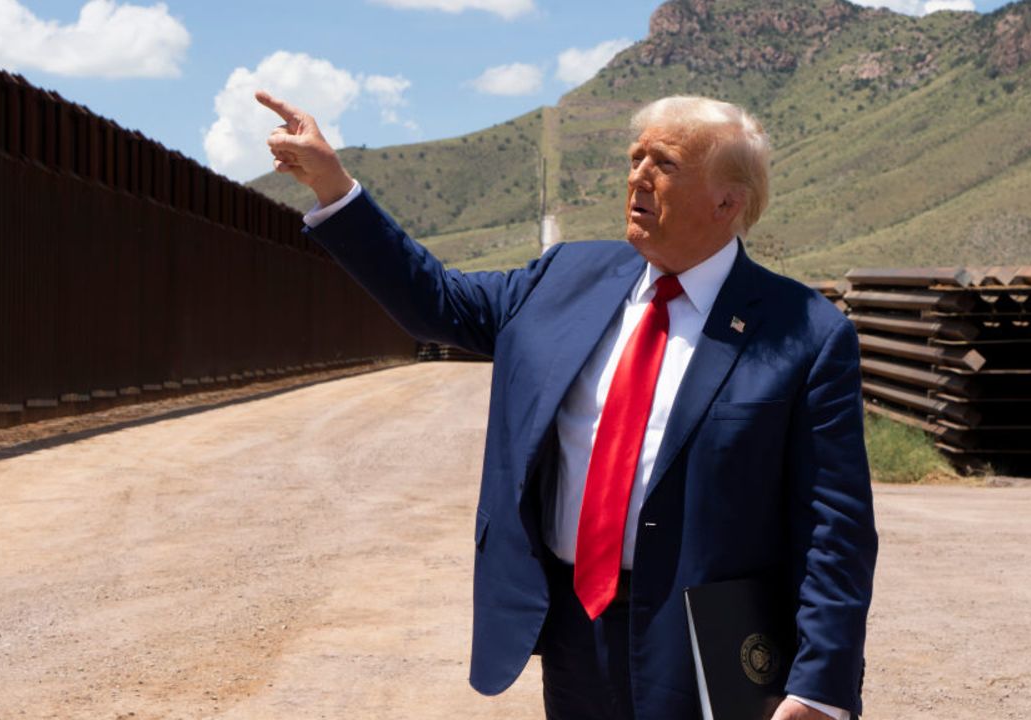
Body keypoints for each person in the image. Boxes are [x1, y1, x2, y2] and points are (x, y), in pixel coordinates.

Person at [257, 90, 878, 720]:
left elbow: (836, 525)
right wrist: (335, 188)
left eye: (663, 163)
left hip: (706, 640)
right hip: (576, 625)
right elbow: (435, 300)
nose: (637, 175)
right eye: (635, 157)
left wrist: (820, 684)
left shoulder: (805, 332)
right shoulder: (565, 278)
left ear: (727, 201)